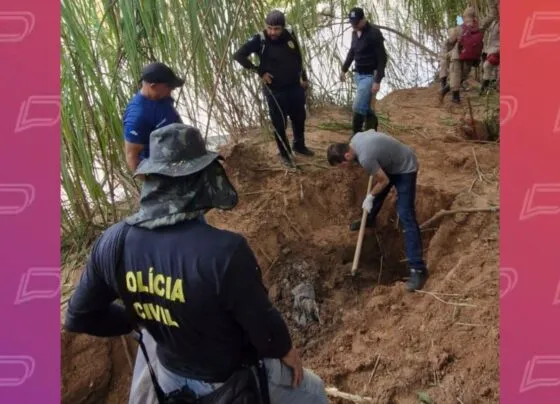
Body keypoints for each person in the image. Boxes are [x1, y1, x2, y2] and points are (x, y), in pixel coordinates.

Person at [64, 123, 328, 404]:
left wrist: (141, 317)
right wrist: (287, 350)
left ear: (151, 180)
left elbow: (79, 316)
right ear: (199, 179)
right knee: (314, 391)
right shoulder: (225, 251)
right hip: (230, 380)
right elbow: (263, 327)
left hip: (169, 375)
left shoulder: (112, 242)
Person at [326, 130, 428, 292]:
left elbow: (384, 180)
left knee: (405, 215)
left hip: (405, 168)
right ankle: (369, 219)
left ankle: (418, 270)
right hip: (391, 164)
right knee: (377, 196)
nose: (344, 169)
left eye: (342, 165)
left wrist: (370, 196)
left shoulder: (366, 158)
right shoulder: (355, 139)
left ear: (346, 156)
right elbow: (372, 131)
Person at [233, 9, 314, 168]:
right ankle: (285, 154)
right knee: (279, 123)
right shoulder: (260, 39)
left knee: (299, 117)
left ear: (283, 27)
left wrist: (303, 78)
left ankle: (299, 145)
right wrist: (259, 71)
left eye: (276, 28)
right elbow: (238, 55)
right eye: (269, 28)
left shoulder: (290, 34)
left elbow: (298, 57)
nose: (272, 32)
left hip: (294, 86)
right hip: (275, 90)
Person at [123, 62, 185, 174]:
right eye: (169, 87)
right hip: (162, 171)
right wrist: (150, 185)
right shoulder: (138, 116)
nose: (171, 90)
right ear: (153, 86)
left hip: (181, 161)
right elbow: (131, 155)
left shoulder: (161, 96)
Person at [339, 7, 388, 135]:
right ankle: (371, 132)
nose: (353, 26)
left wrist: (377, 81)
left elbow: (382, 59)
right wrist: (344, 69)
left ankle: (356, 135)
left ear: (363, 20)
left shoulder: (374, 34)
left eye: (356, 23)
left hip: (370, 76)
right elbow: (352, 51)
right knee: (367, 107)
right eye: (352, 23)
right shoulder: (355, 33)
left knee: (358, 107)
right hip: (358, 75)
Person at [438, 7, 483, 104]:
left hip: (457, 54)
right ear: (474, 16)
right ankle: (448, 92)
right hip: (470, 57)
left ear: (464, 16)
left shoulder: (460, 27)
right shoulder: (479, 27)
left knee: (455, 75)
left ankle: (454, 97)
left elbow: (451, 40)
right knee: (463, 76)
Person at [480, 1, 500, 94]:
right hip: (491, 50)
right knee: (486, 66)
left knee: (489, 67)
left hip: (497, 51)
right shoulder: (494, 22)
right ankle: (485, 89)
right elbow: (488, 34)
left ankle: (486, 89)